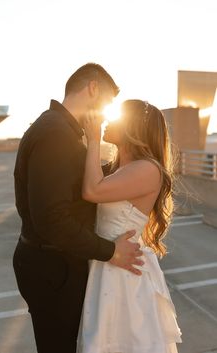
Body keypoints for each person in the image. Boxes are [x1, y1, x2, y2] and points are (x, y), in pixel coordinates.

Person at [12, 64, 144, 353]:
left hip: (52, 263)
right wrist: (111, 252)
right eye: (108, 102)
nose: (108, 111)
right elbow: (52, 220)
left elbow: (73, 189)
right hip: (53, 269)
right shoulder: (56, 134)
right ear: (93, 88)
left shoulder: (60, 130)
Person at [77, 99, 182, 353]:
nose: (108, 121)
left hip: (124, 276)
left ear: (132, 127)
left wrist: (92, 139)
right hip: (108, 264)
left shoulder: (148, 169)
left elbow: (92, 190)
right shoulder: (122, 168)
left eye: (117, 117)